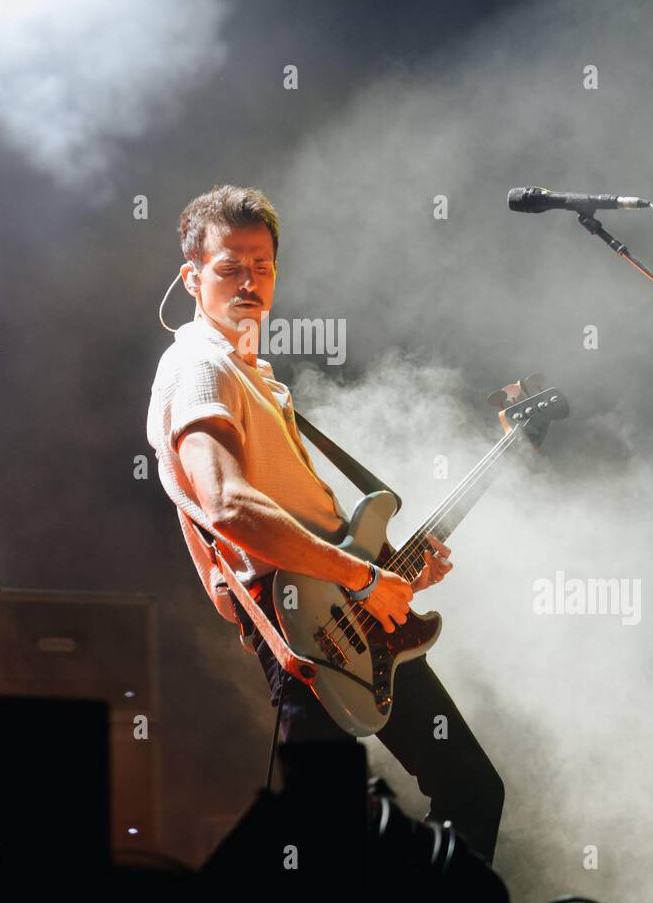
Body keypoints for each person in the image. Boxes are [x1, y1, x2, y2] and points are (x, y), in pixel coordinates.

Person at [147, 184, 504, 863]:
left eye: (263, 265)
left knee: (460, 792)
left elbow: (296, 516)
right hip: (299, 623)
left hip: (340, 610)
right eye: (230, 266)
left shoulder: (255, 376)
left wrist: (389, 574)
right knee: (333, 830)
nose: (249, 281)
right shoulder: (199, 366)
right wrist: (362, 578)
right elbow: (226, 503)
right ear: (192, 278)